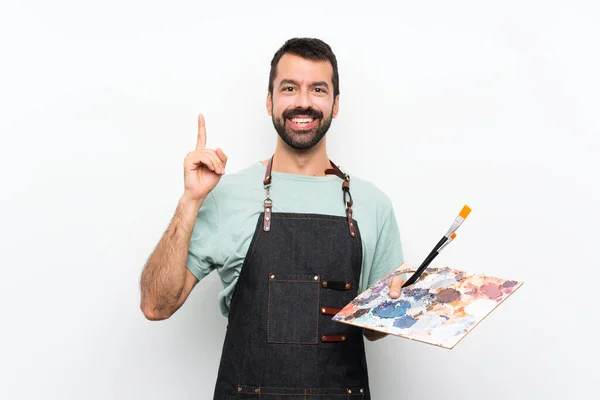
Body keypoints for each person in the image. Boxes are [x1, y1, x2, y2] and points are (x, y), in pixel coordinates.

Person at [140, 37, 410, 399]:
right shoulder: (225, 196)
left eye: (318, 89)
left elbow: (376, 331)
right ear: (269, 101)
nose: (303, 101)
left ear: (335, 104)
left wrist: (400, 301)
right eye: (289, 88)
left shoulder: (373, 205)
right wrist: (189, 201)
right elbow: (156, 305)